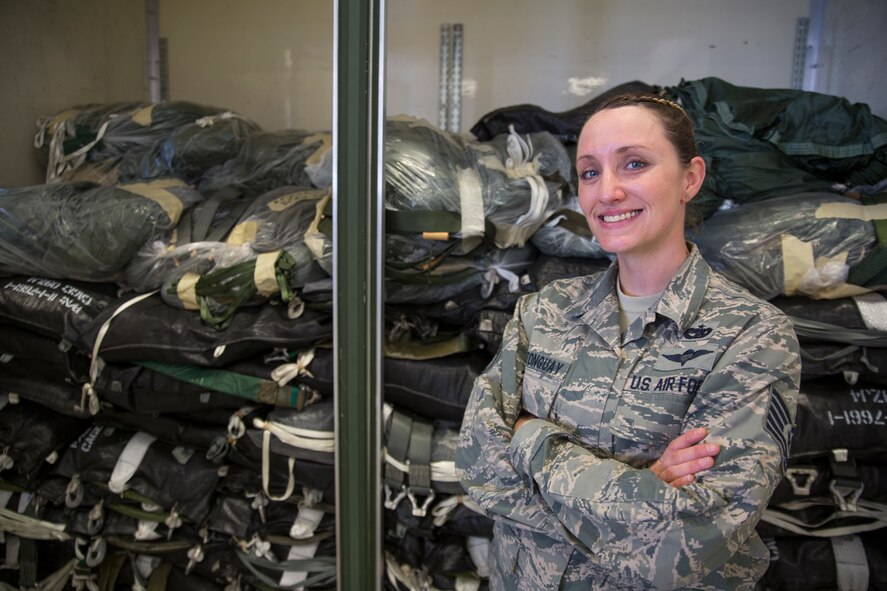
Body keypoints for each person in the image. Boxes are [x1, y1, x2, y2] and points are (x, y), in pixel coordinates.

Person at [455, 93, 801, 590]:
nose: (608, 191)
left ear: (690, 178)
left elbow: (685, 542)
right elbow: (476, 465)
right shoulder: (546, 310)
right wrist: (641, 485)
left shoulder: (752, 336)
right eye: (590, 172)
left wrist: (530, 437)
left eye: (634, 164)